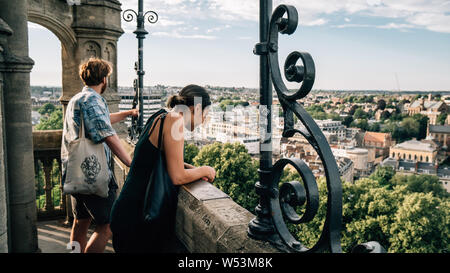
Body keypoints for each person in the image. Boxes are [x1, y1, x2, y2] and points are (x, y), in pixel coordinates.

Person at [110, 84, 216, 253]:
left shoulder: (161, 116)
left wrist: (192, 169)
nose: (203, 120)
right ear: (195, 108)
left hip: (128, 211)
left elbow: (162, 160)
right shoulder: (176, 121)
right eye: (205, 114)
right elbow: (178, 176)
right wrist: (205, 170)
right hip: (137, 218)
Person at [61, 58, 138, 253]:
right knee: (107, 225)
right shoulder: (93, 100)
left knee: (80, 221)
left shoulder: (76, 99)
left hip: (75, 171)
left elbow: (100, 121)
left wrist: (128, 113)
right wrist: (129, 161)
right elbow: (107, 134)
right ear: (104, 79)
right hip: (94, 173)